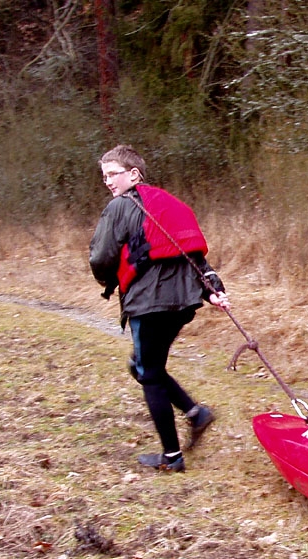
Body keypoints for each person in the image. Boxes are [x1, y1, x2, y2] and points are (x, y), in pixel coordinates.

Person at [89, 144, 231, 473]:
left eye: (113, 174)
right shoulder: (167, 204)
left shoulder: (120, 207)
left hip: (149, 304)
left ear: (134, 174)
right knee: (141, 364)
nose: (109, 182)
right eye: (105, 177)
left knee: (148, 373)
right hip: (182, 303)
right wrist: (214, 289)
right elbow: (194, 254)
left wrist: (108, 282)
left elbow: (101, 257)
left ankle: (171, 458)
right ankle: (196, 414)